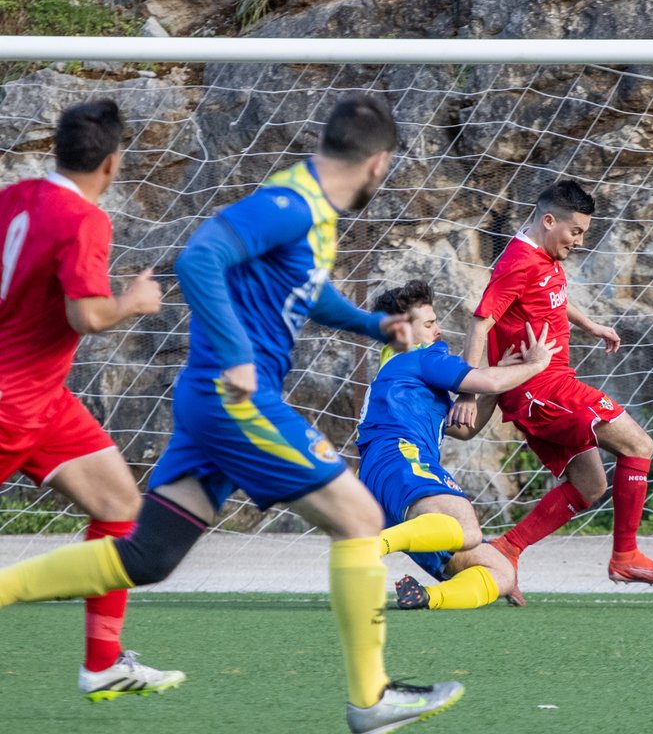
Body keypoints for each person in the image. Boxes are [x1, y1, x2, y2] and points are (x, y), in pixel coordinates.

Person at [0, 95, 463, 733]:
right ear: (379, 163)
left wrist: (371, 324)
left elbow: (305, 290)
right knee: (358, 518)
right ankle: (370, 700)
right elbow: (198, 259)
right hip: (235, 398)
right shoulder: (288, 204)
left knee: (149, 556)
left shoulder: (307, 205)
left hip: (208, 400)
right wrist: (239, 355)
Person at [0, 99, 184, 701]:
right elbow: (86, 314)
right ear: (112, 163)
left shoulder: (17, 195)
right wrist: (134, 300)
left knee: (119, 504)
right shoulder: (85, 220)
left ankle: (103, 663)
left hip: (42, 399)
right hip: (11, 403)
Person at [449, 179, 653, 606]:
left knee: (590, 485)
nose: (579, 241)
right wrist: (466, 390)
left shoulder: (543, 255)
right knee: (638, 443)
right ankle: (625, 555)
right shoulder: (518, 260)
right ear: (548, 220)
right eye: (575, 231)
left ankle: (507, 550)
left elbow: (551, 298)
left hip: (548, 389)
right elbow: (481, 321)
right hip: (542, 389)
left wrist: (590, 325)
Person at [355, 280, 559, 611]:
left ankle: (427, 597)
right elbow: (487, 379)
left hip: (382, 480)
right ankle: (371, 546)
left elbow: (464, 429)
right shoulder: (421, 356)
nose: (439, 330)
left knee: (501, 571)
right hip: (401, 459)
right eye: (430, 323)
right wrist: (535, 364)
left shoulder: (396, 368)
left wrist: (487, 388)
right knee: (467, 530)